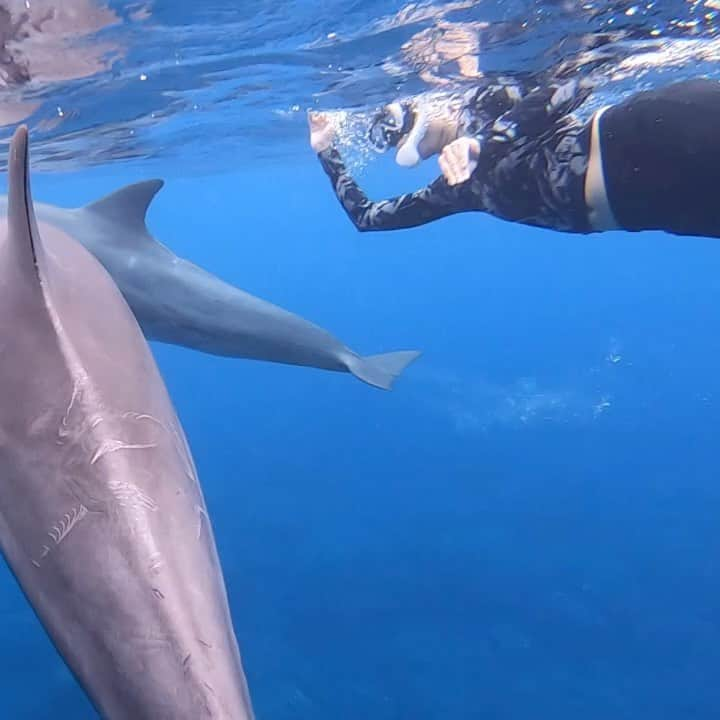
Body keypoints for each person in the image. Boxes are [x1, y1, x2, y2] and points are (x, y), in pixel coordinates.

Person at [309, 75, 720, 240]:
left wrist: (484, 142)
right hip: (650, 208)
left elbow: (576, 83)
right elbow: (367, 218)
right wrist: (327, 151)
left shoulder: (486, 99)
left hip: (651, 135)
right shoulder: (454, 188)